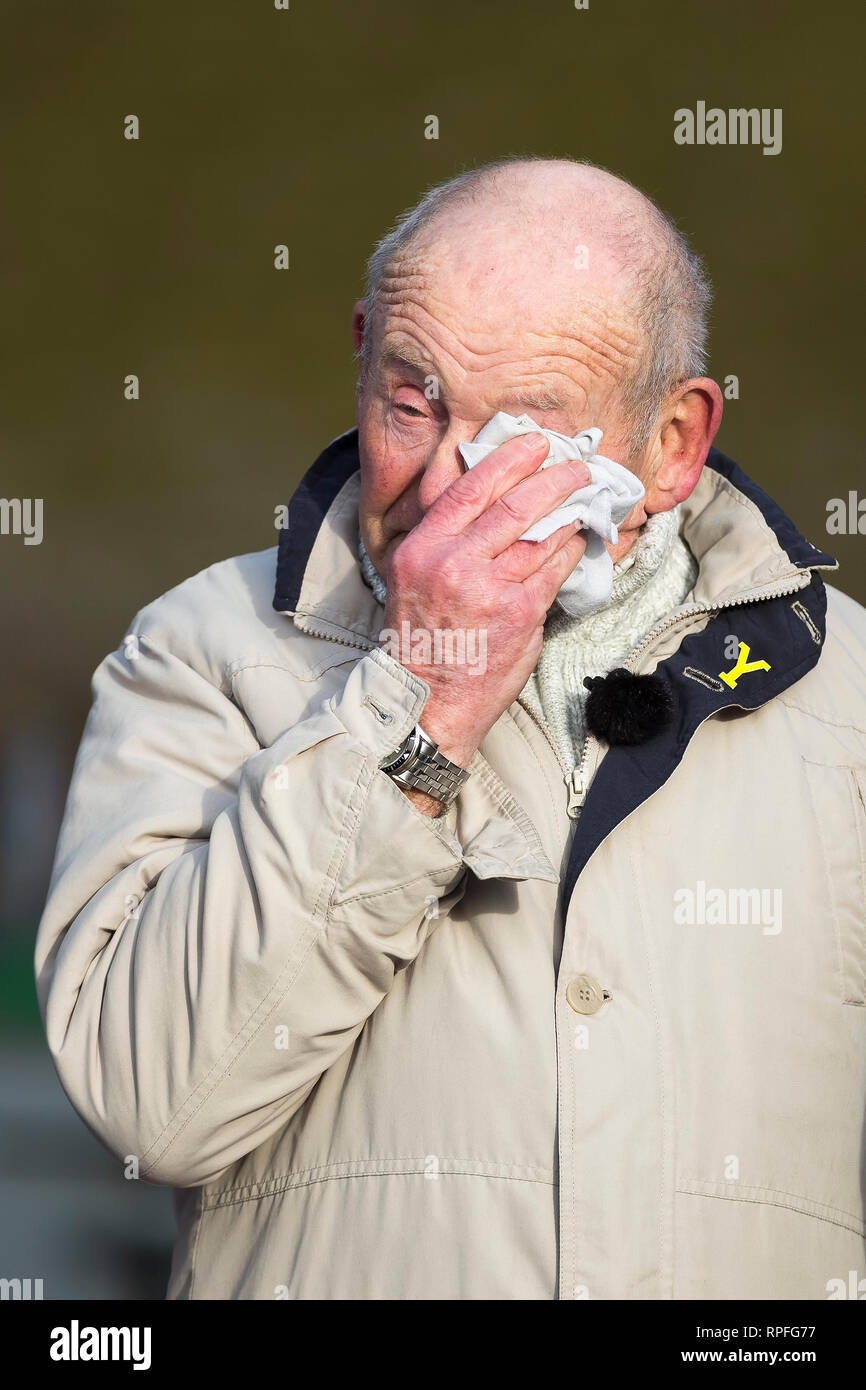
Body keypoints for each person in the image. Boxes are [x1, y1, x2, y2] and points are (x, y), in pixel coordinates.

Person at [35, 157, 866, 1300]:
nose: (440, 492)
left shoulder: (849, 703)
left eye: (521, 435)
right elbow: (153, 1104)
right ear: (364, 349)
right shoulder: (205, 651)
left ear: (670, 442)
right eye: (411, 401)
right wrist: (419, 697)